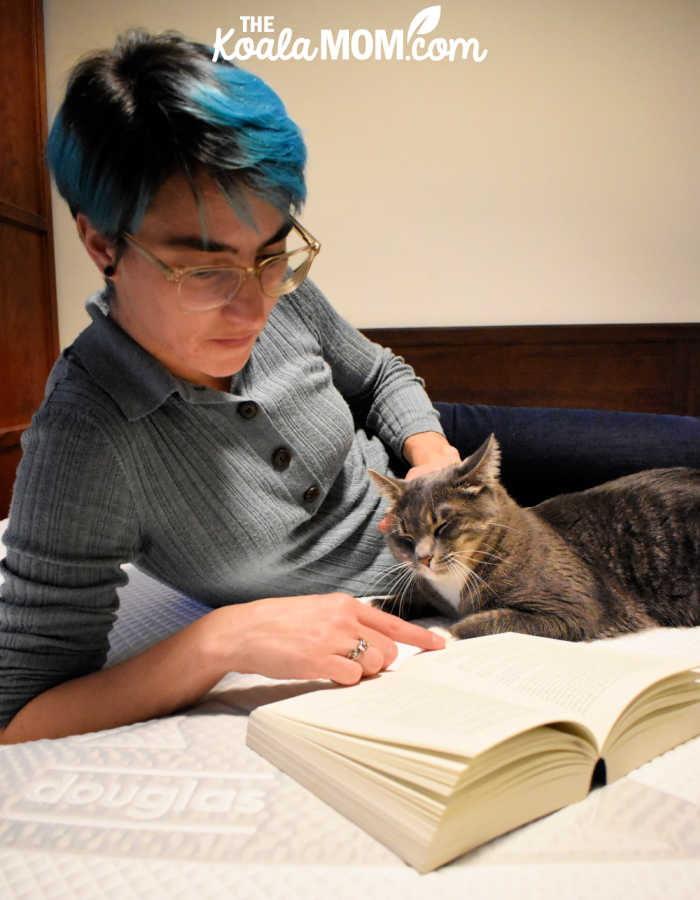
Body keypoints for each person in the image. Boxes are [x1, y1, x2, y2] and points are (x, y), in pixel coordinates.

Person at [2, 29, 699, 745]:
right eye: (203, 270)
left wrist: (429, 456)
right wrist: (216, 641)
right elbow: (16, 713)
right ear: (101, 245)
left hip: (439, 472)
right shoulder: (85, 440)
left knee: (686, 449)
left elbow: (377, 375)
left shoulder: (279, 292)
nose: (254, 309)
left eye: (273, 256)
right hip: (414, 567)